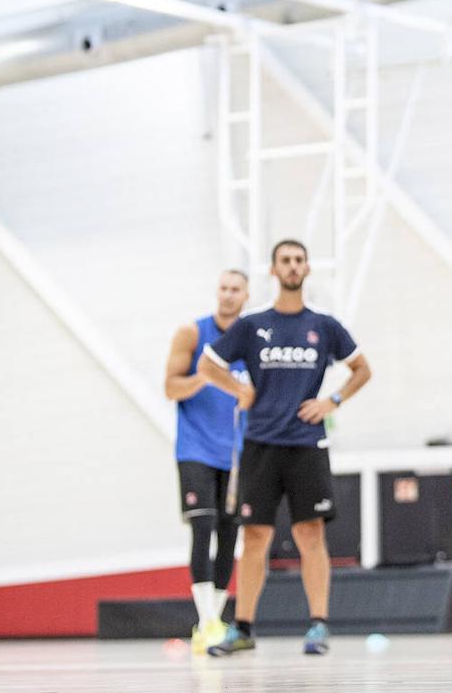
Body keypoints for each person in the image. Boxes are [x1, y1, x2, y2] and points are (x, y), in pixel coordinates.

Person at [198, 239, 372, 657]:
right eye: (285, 261)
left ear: (307, 269)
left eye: (298, 260)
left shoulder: (324, 325)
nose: (292, 266)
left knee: (309, 535)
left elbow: (362, 369)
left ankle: (317, 626)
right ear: (274, 271)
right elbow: (207, 365)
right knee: (255, 537)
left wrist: (332, 400)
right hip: (260, 445)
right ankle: (242, 628)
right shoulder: (252, 325)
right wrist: (238, 388)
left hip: (306, 445)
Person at [163, 269, 250, 654]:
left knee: (230, 534)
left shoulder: (250, 341)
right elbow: (171, 386)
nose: (228, 295)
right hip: (195, 449)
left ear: (246, 295)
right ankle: (206, 621)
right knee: (204, 527)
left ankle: (214, 619)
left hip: (235, 452)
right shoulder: (193, 334)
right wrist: (207, 374)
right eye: (223, 288)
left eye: (236, 290)